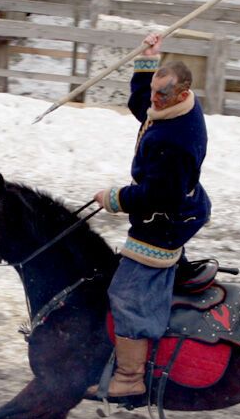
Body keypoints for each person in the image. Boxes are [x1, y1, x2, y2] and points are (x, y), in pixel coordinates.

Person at [90, 33, 212, 398]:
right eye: (155, 91)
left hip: (168, 219)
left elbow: (159, 196)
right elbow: (141, 103)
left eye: (161, 94)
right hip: (179, 205)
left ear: (183, 91)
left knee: (125, 292)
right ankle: (174, 272)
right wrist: (149, 60)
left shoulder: (175, 139)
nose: (153, 101)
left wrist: (115, 198)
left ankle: (130, 377)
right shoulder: (175, 105)